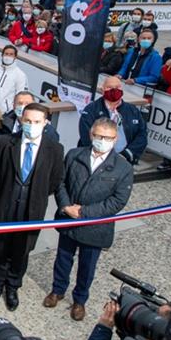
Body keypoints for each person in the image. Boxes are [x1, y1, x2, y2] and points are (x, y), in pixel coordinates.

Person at [43, 118, 133, 322]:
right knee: (63, 259)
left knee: (87, 266)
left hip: (95, 227)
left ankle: (79, 300)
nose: (102, 140)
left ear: (115, 138)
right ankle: (57, 291)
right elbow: (61, 182)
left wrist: (83, 212)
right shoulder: (75, 155)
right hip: (69, 220)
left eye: (107, 137)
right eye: (98, 136)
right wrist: (66, 206)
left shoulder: (123, 167)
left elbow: (117, 201)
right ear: (91, 135)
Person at [0, 103, 64, 311]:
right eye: (27, 121)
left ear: (45, 122)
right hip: (4, 205)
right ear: (21, 120)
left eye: (36, 122)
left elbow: (55, 179)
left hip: (31, 209)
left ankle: (12, 286)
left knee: (22, 250)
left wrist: (35, 194)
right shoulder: (4, 142)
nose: (31, 125)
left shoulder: (55, 149)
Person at [78, 76, 147, 165]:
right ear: (102, 90)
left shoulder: (132, 110)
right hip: (96, 161)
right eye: (109, 87)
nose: (114, 90)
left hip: (124, 162)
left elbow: (142, 135)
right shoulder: (91, 110)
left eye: (117, 87)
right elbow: (86, 136)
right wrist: (104, 157)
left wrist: (127, 154)